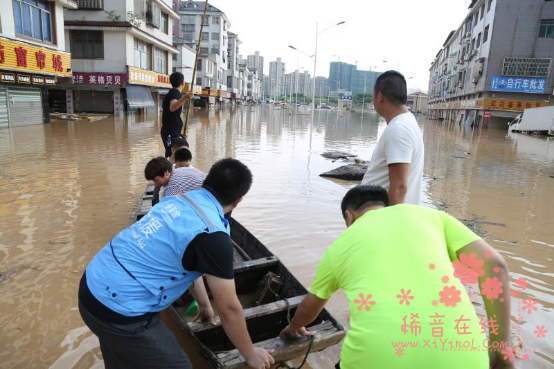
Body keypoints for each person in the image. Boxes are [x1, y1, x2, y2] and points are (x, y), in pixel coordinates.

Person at [281, 185, 513, 369]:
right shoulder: (434, 218)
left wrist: (294, 326)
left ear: (349, 216)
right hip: (466, 358)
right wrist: (501, 350)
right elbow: (495, 267)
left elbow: (309, 309)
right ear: (387, 207)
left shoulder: (338, 248)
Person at [79, 158, 274, 369]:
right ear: (238, 200)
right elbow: (228, 309)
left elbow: (188, 264)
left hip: (91, 287)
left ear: (206, 182)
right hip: (118, 310)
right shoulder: (214, 236)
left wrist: (204, 305)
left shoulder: (175, 200)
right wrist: (251, 353)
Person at [361, 71, 424, 205]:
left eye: (373, 96)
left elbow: (399, 188)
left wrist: (391, 224)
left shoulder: (399, 129)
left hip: (384, 220)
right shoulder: (407, 122)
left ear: (379, 97)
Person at [162, 72, 194, 158]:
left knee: (177, 155)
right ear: (183, 83)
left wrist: (179, 134)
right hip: (170, 131)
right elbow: (172, 107)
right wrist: (185, 97)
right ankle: (169, 171)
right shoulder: (175, 92)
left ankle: (175, 170)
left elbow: (173, 115)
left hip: (173, 131)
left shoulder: (174, 93)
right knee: (171, 155)